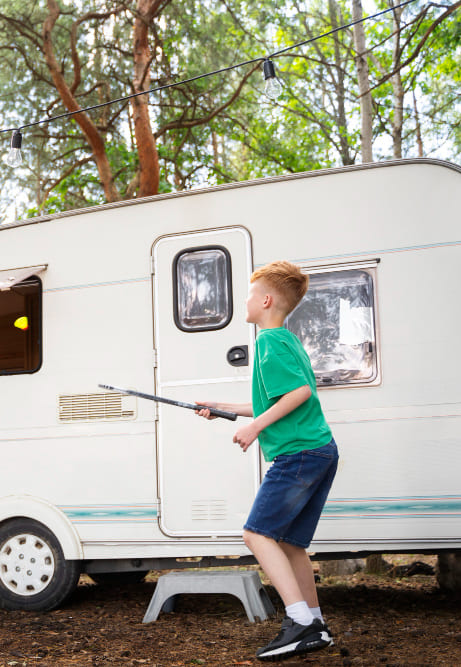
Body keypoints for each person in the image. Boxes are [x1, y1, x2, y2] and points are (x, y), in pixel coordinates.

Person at [195, 260, 338, 662]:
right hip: (319, 450)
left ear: (266, 300)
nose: (245, 299)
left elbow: (298, 396)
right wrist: (219, 406)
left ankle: (300, 622)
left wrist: (255, 427)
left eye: (249, 293)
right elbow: (273, 400)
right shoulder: (285, 340)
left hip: (298, 453)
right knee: (290, 544)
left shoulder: (268, 343)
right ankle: (316, 624)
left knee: (256, 534)